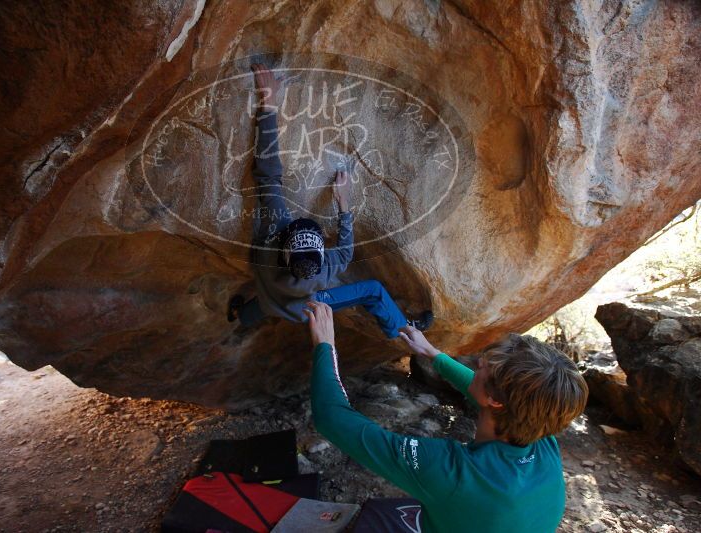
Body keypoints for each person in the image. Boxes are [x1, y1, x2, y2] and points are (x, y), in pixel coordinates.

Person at [303, 300, 589, 533]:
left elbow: (332, 418)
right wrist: (433, 354)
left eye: (484, 368)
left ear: (494, 400)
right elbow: (485, 393)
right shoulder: (543, 439)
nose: (478, 363)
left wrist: (325, 345)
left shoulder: (454, 471)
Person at [228, 63, 433, 338]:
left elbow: (267, 173)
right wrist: (344, 204)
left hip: (271, 299)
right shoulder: (325, 273)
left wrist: (268, 103)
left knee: (265, 304)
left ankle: (241, 315)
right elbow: (346, 252)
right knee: (372, 291)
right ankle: (404, 331)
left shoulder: (271, 240)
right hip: (306, 308)